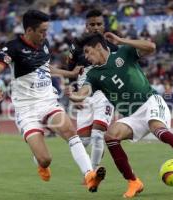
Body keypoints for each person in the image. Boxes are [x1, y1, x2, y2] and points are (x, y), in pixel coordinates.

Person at [69, 32, 173, 198]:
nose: (85, 57)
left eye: (87, 51)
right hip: (132, 116)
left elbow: (151, 47)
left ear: (99, 47)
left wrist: (121, 40)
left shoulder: (123, 53)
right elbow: (84, 92)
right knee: (110, 136)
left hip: (150, 101)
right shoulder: (93, 74)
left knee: (158, 130)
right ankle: (134, 182)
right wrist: (73, 95)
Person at [0, 10, 105, 193]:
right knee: (45, 159)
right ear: (29, 30)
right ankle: (41, 164)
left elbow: (45, 67)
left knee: (69, 131)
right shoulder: (13, 48)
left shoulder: (44, 44)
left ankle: (89, 175)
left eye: (46, 30)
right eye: (42, 31)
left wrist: (70, 73)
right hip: (26, 110)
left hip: (47, 101)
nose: (45, 35)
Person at [67, 9, 117, 169]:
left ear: (104, 25)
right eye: (92, 24)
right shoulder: (76, 47)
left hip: (105, 94)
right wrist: (74, 95)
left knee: (97, 135)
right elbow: (71, 72)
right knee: (83, 141)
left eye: (99, 24)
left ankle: (93, 173)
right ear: (86, 26)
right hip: (85, 95)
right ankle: (92, 167)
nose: (96, 27)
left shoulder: (113, 48)